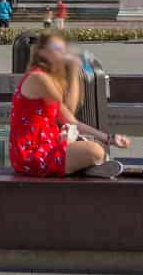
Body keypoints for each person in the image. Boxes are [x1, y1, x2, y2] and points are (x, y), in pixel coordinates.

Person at [8, 31, 129, 178]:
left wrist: (109, 138)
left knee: (97, 147)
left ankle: (88, 167)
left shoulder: (49, 78)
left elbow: (71, 120)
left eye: (63, 48)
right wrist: (73, 72)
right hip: (31, 154)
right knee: (94, 151)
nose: (62, 52)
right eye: (56, 47)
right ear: (42, 52)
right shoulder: (38, 78)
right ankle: (88, 167)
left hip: (49, 146)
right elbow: (70, 108)